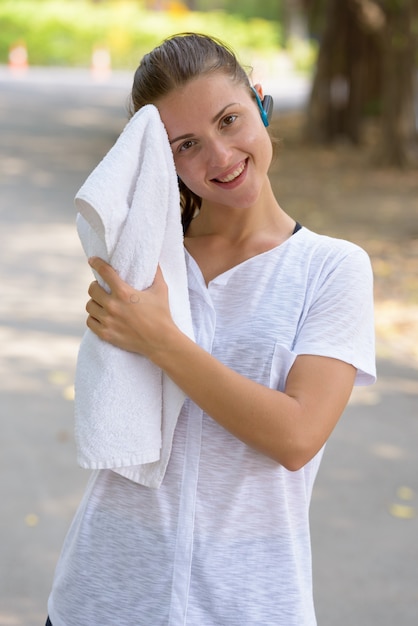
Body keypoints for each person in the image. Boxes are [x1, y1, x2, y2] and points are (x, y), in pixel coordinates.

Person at [46, 32, 376, 625]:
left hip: (250, 604)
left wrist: (162, 340)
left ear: (261, 103)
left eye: (229, 120)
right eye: (186, 145)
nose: (219, 157)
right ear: (160, 159)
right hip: (104, 595)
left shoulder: (330, 268)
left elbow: (297, 437)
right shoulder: (149, 264)